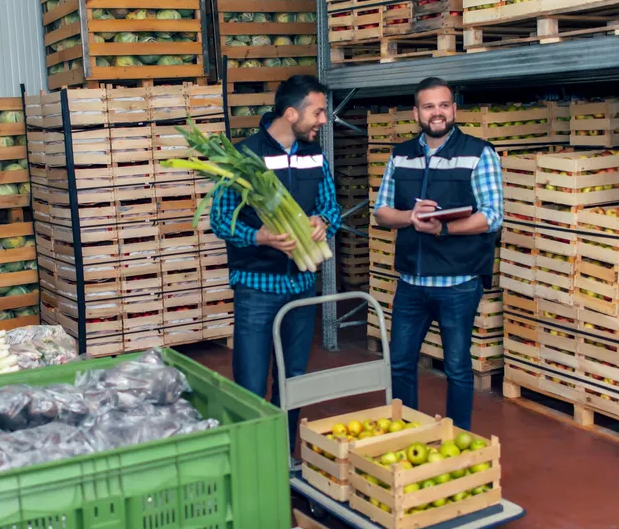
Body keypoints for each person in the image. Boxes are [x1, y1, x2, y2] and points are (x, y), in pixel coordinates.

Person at [210, 75, 341, 453]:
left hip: (300, 285)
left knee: (293, 378)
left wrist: (323, 221)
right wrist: (261, 237)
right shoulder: (243, 156)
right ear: (290, 112)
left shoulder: (314, 155)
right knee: (250, 381)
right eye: (317, 112)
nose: (323, 120)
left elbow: (330, 205)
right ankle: (252, 458)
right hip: (256, 287)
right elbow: (221, 220)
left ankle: (282, 455)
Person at [371, 77, 503, 430]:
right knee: (399, 363)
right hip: (412, 282)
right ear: (416, 113)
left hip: (458, 283)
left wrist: (444, 228)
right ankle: (405, 432)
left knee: (458, 368)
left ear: (454, 109)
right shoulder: (401, 155)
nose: (438, 112)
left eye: (444, 105)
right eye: (429, 106)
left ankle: (457, 437)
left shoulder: (479, 153)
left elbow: (491, 216)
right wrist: (410, 218)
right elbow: (382, 211)